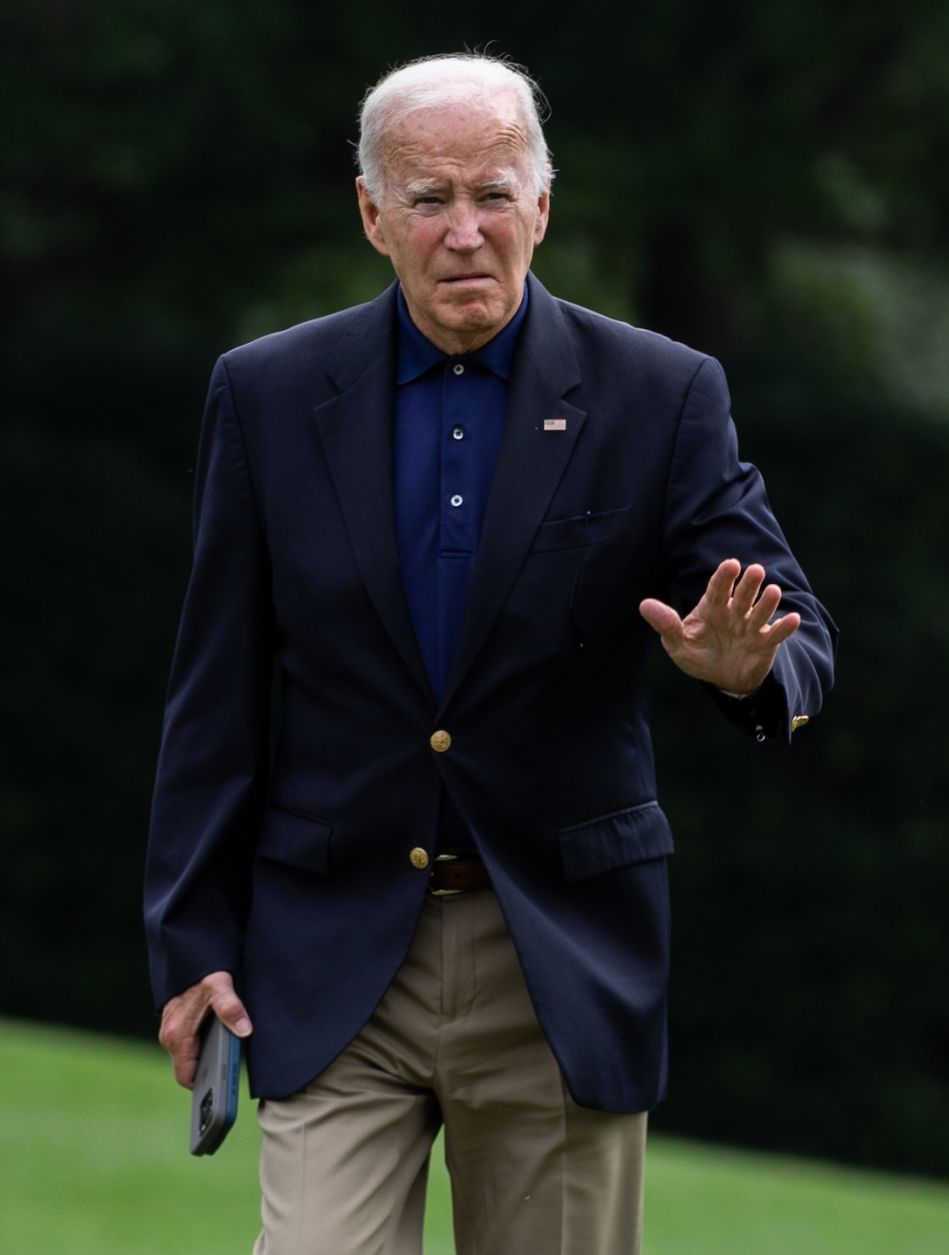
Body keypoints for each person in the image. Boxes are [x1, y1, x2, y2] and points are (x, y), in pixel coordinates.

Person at [143, 53, 835, 1254]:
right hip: (331, 954)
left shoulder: (660, 396)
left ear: (544, 207)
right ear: (372, 214)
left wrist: (748, 672)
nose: (466, 232)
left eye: (495, 194)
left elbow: (799, 640)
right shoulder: (265, 395)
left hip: (557, 963)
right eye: (428, 199)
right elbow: (218, 689)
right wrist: (191, 944)